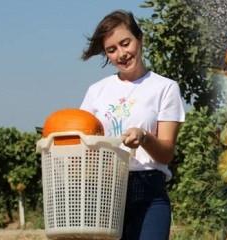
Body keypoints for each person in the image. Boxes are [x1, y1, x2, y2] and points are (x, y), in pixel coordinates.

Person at [79, 9, 185, 240]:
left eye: (125, 43)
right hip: (106, 193)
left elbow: (166, 154)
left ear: (140, 39)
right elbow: (83, 143)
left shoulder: (165, 88)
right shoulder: (96, 92)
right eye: (112, 50)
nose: (121, 54)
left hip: (149, 192)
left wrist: (145, 137)